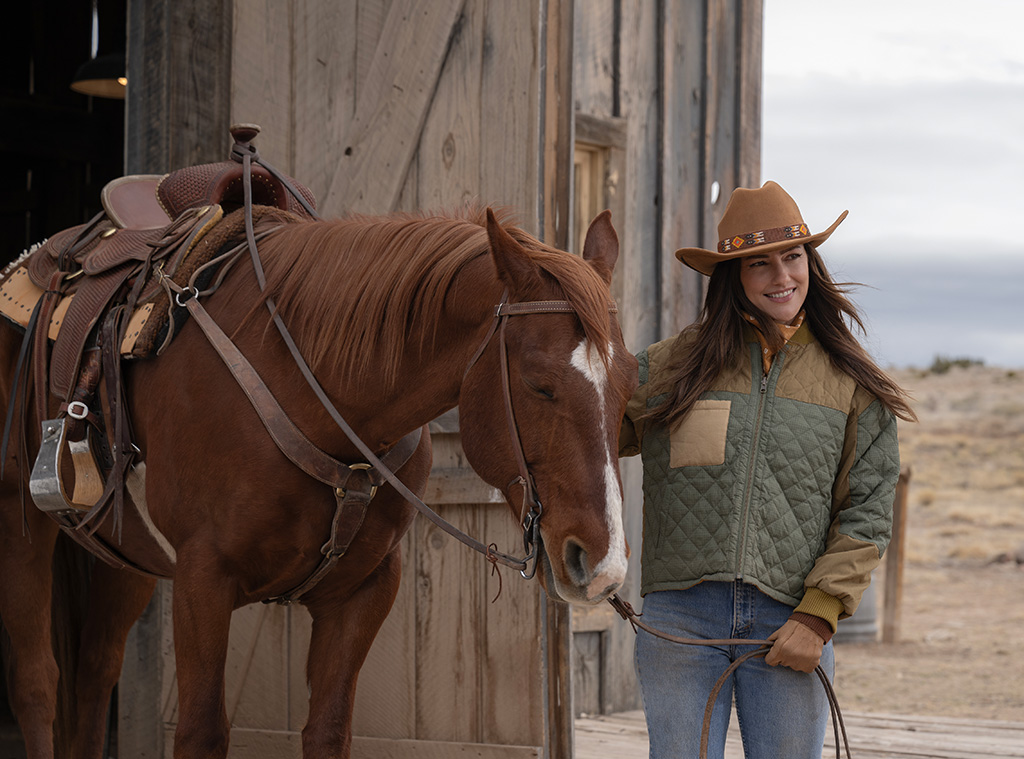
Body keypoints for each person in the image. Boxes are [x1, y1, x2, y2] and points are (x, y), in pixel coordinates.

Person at [619, 181, 916, 758]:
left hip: (791, 618)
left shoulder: (851, 382)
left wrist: (821, 615)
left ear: (811, 262)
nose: (782, 277)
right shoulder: (671, 365)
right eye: (760, 264)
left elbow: (869, 509)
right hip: (679, 614)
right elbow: (584, 437)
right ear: (733, 275)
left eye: (793, 256)